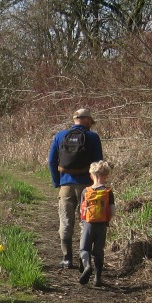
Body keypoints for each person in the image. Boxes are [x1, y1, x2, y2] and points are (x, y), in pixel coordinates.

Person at [48, 107, 103, 269]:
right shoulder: (92, 137)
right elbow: (98, 163)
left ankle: (67, 258)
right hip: (87, 187)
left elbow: (51, 161)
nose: (91, 125)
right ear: (86, 120)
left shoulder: (60, 136)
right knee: (85, 221)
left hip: (66, 185)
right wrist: (96, 185)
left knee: (65, 221)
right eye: (90, 122)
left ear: (75, 120)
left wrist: (57, 182)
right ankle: (83, 258)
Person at [78, 160, 115, 286]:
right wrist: (107, 220)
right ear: (106, 176)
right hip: (102, 225)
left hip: (88, 224)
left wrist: (83, 223)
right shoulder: (108, 192)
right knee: (99, 251)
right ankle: (97, 278)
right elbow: (112, 210)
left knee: (84, 249)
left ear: (91, 175)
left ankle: (87, 266)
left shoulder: (86, 191)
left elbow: (82, 210)